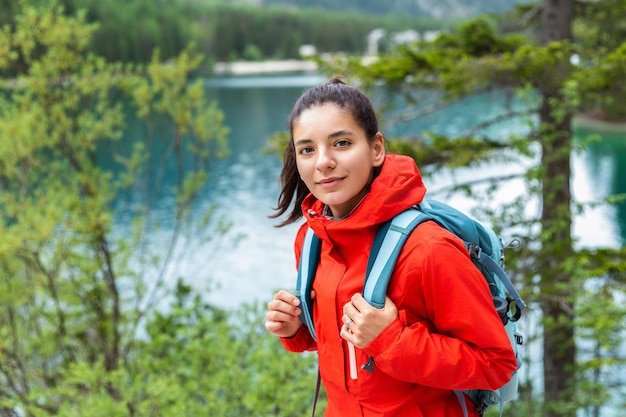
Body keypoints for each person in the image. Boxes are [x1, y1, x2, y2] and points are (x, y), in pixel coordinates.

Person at [264, 78, 517, 417]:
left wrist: (392, 340)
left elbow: (495, 365)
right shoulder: (312, 240)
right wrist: (299, 329)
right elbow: (346, 342)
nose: (323, 162)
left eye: (341, 143)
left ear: (376, 148)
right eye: (307, 149)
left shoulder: (428, 249)